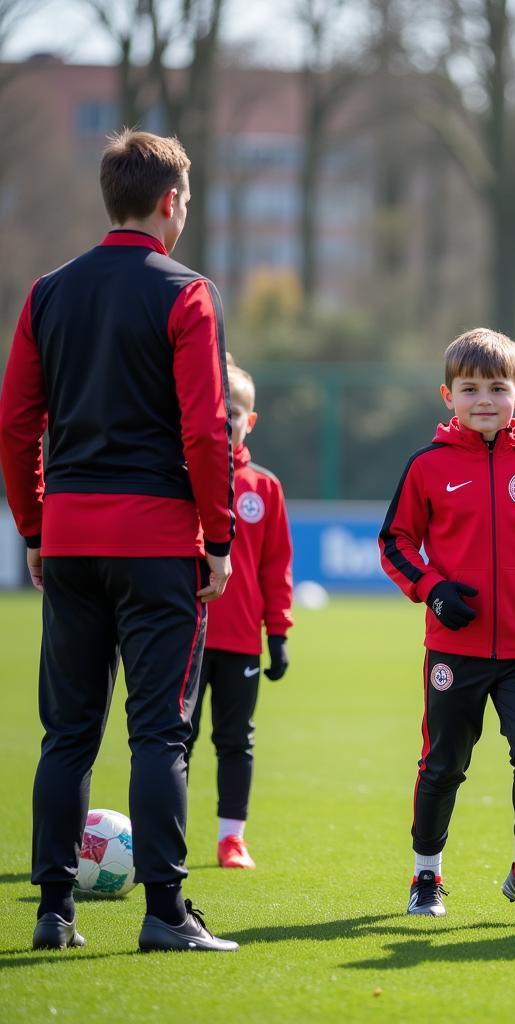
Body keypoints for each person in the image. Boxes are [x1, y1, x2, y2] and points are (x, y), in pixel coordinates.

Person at [0, 129, 238, 953]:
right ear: (171, 202)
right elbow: (208, 432)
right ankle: (167, 914)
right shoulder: (188, 293)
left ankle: (53, 913)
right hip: (157, 541)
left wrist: (34, 525)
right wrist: (218, 537)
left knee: (67, 733)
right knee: (158, 734)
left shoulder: (45, 293)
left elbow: (14, 423)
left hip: (67, 538)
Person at [378, 327, 515, 922]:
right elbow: (395, 543)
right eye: (469, 388)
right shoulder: (427, 465)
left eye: (497, 387)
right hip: (454, 651)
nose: (484, 400)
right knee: (444, 763)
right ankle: (426, 877)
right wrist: (434, 590)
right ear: (446, 395)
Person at [185, 355, 293, 871]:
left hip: (241, 639)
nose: (226, 419)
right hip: (184, 634)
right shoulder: (178, 478)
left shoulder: (265, 488)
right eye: (218, 411)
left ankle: (232, 839)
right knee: (173, 737)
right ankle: (169, 835)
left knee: (235, 741)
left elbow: (277, 567)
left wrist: (279, 634)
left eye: (236, 412)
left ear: (249, 421)